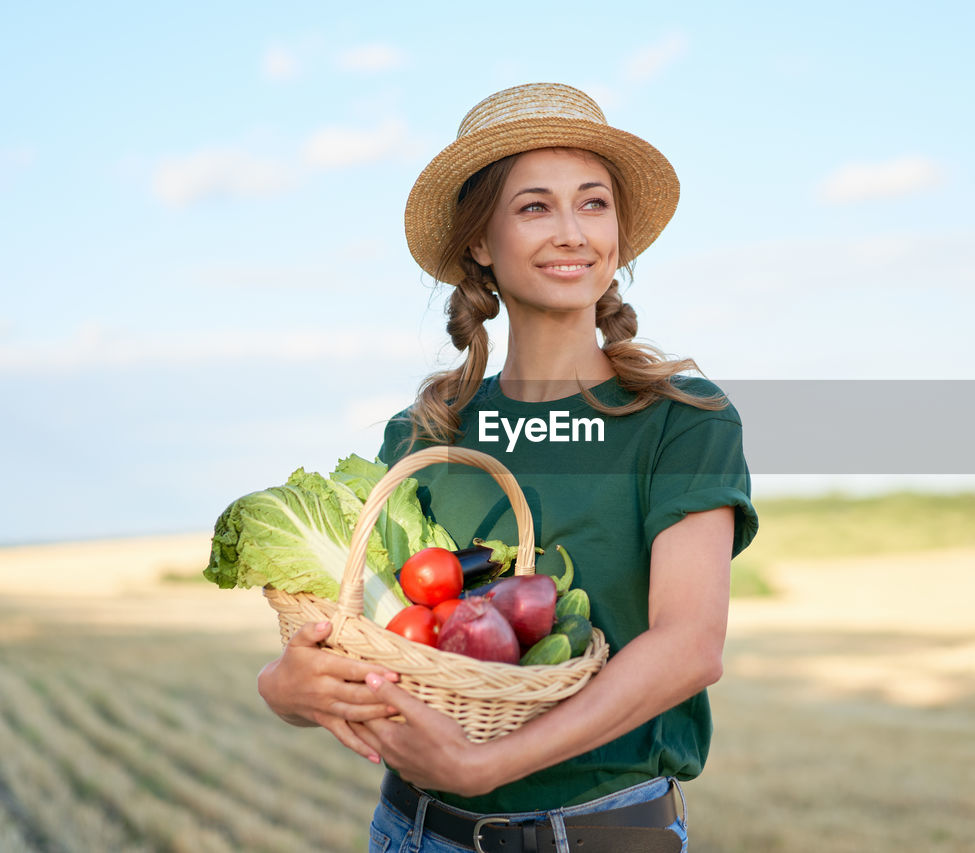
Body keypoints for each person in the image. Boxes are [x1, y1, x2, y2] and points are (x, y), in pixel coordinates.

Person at [257, 82, 757, 853]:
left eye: (593, 204)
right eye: (535, 207)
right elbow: (369, 631)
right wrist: (285, 689)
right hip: (414, 831)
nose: (572, 232)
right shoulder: (425, 435)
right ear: (481, 243)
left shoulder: (681, 420)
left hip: (598, 835)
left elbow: (689, 645)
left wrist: (486, 763)